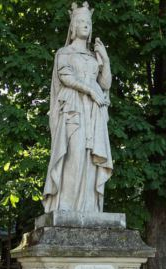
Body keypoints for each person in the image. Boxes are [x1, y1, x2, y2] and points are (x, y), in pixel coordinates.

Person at [43, 2, 113, 213]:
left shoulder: (94, 56)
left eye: (88, 22)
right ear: (72, 27)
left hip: (94, 110)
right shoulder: (64, 52)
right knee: (74, 154)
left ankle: (89, 207)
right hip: (74, 107)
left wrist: (106, 61)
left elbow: (106, 85)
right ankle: (66, 206)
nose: (85, 25)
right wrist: (90, 91)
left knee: (92, 158)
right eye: (80, 21)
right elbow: (66, 77)